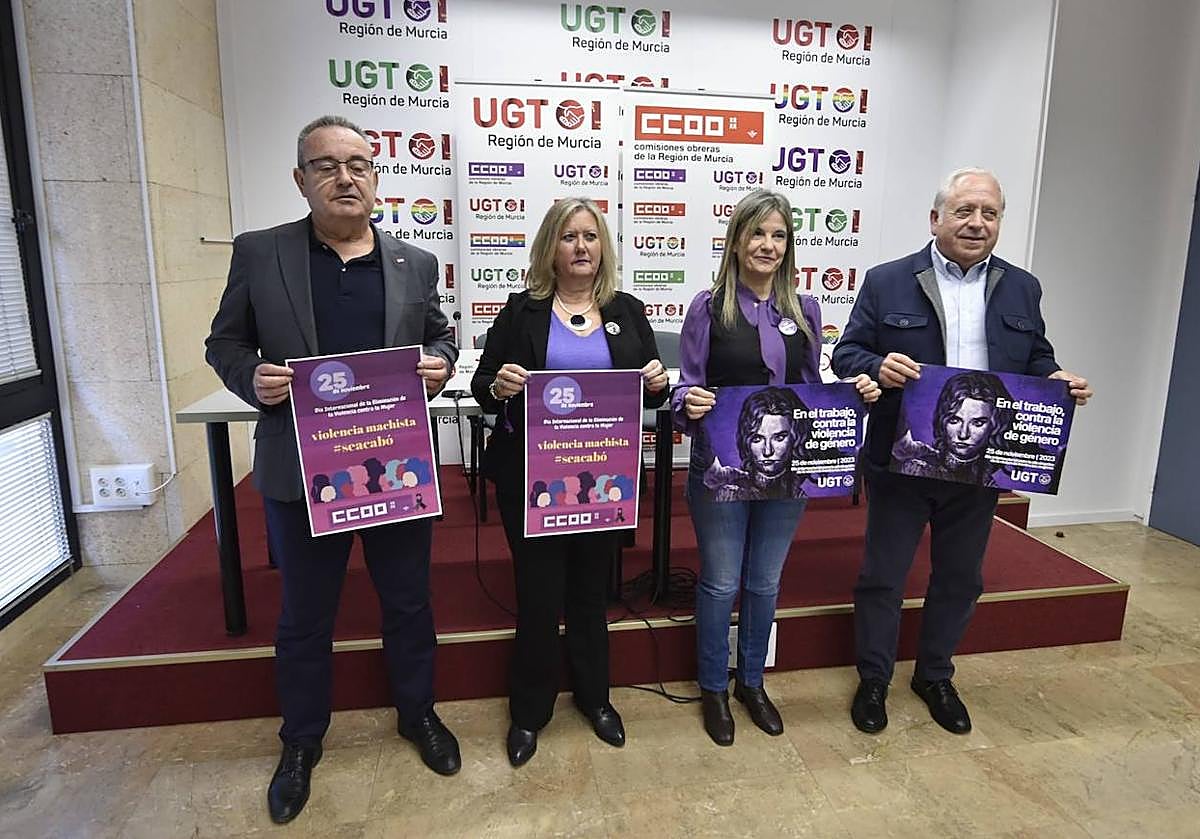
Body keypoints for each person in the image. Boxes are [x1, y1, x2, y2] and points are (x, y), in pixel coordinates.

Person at [205, 115, 460, 825]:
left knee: (409, 605)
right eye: (326, 166)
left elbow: (438, 331)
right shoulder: (261, 254)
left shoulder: (414, 262)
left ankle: (419, 715)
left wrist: (440, 363)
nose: (344, 177)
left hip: (396, 471)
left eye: (358, 164)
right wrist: (250, 375)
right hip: (301, 475)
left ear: (377, 178)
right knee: (305, 617)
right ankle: (301, 741)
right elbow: (224, 340)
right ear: (301, 179)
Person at [832, 168, 1093, 737]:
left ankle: (934, 676)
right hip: (904, 457)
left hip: (982, 461)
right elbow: (845, 353)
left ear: (999, 221)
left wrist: (1057, 379)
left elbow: (1036, 359)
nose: (977, 223)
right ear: (936, 218)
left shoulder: (1023, 287)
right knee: (883, 575)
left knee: (960, 577)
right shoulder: (887, 280)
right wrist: (876, 366)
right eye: (964, 211)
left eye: (989, 213)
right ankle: (874, 679)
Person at [674, 189, 880, 746]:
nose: (768, 245)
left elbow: (812, 388)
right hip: (722, 471)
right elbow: (686, 386)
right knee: (720, 583)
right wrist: (687, 402)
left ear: (789, 246)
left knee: (765, 581)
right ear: (737, 242)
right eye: (758, 234)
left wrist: (853, 392)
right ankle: (714, 687)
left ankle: (751, 682)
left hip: (791, 469)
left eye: (779, 235)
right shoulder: (708, 306)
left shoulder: (805, 310)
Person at [470, 197, 668, 767]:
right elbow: (483, 386)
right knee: (537, 596)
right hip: (531, 480)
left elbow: (655, 390)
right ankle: (530, 712)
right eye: (568, 237)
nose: (581, 247)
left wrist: (657, 383)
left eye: (590, 236)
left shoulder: (626, 311)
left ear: (602, 246)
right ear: (550, 248)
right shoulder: (521, 311)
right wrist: (500, 384)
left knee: (590, 595)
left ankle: (595, 699)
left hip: (604, 482)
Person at [893, 371, 1014, 486]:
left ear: (995, 426)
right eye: (954, 420)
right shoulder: (920, 467)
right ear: (943, 421)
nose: (963, 434)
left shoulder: (989, 483)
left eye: (977, 423)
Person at [703, 386, 812, 501]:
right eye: (757, 439)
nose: (768, 451)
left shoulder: (799, 495)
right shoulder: (731, 493)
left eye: (779, 438)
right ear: (747, 442)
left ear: (795, 438)